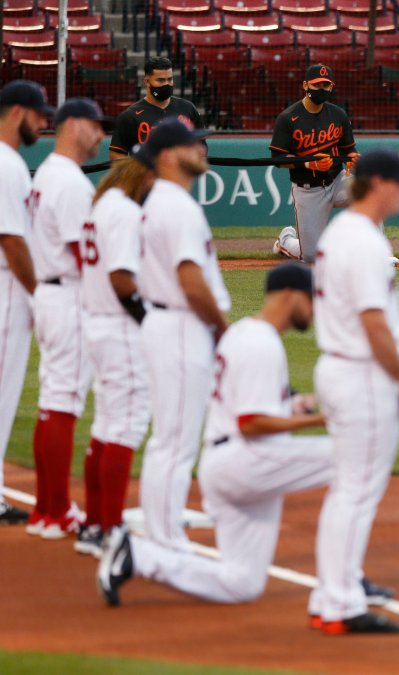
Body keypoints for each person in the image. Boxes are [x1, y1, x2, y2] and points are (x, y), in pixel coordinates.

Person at [97, 263, 333, 606]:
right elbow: (250, 423)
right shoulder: (261, 345)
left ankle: (140, 555)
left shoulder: (241, 334)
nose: (314, 309)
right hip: (244, 462)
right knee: (350, 456)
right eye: (311, 299)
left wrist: (296, 405)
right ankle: (348, 578)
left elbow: (244, 404)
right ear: (289, 295)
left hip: (230, 463)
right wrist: (322, 420)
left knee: (243, 583)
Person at [308, 147, 399, 635]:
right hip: (361, 372)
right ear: (377, 183)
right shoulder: (365, 241)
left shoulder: (341, 233)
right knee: (357, 491)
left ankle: (333, 590)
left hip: (340, 367)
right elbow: (374, 322)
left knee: (348, 489)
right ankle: (339, 602)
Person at [138, 119, 230, 550]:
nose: (202, 150)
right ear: (170, 155)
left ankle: (162, 527)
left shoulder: (161, 201)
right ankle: (164, 535)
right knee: (176, 441)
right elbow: (191, 281)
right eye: (194, 145)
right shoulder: (175, 206)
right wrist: (221, 326)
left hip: (166, 321)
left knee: (169, 439)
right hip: (179, 323)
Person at [26, 98, 109, 541]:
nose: (100, 135)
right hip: (69, 294)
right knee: (63, 403)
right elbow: (85, 256)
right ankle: (55, 511)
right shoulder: (71, 183)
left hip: (50, 293)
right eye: (95, 126)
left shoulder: (48, 174)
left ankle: (46, 508)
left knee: (53, 401)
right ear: (73, 125)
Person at [77, 157, 156, 556]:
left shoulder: (102, 203)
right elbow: (122, 278)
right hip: (119, 325)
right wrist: (147, 321)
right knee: (124, 427)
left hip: (97, 322)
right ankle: (110, 529)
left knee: (107, 425)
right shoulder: (124, 211)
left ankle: (94, 524)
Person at [0, 80, 53, 526]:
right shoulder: (7, 163)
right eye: (38, 113)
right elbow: (13, 240)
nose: (43, 122)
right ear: (17, 112)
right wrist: (40, 295)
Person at [269, 64, 359, 263]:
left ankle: (376, 253)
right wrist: (310, 165)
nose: (322, 89)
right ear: (305, 85)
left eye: (326, 85)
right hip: (308, 189)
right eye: (317, 84)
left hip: (337, 181)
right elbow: (278, 159)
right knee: (310, 257)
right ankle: (286, 240)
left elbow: (348, 149)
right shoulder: (288, 118)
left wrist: (352, 158)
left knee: (369, 191)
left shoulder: (338, 115)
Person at [108, 56, 203, 160]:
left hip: (179, 174)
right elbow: (116, 155)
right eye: (161, 80)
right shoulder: (130, 116)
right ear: (147, 81)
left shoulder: (188, 108)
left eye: (170, 79)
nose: (167, 84)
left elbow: (201, 145)